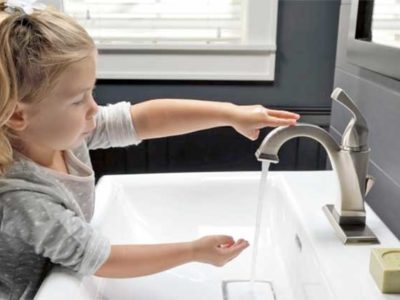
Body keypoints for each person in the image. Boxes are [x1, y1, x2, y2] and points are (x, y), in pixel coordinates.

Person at [0, 1, 300, 299]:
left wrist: (230, 114)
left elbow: (141, 119)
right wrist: (194, 251)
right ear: (17, 115)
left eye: (92, 91)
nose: (94, 108)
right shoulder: (21, 196)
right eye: (78, 100)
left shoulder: (65, 136)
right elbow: (102, 260)